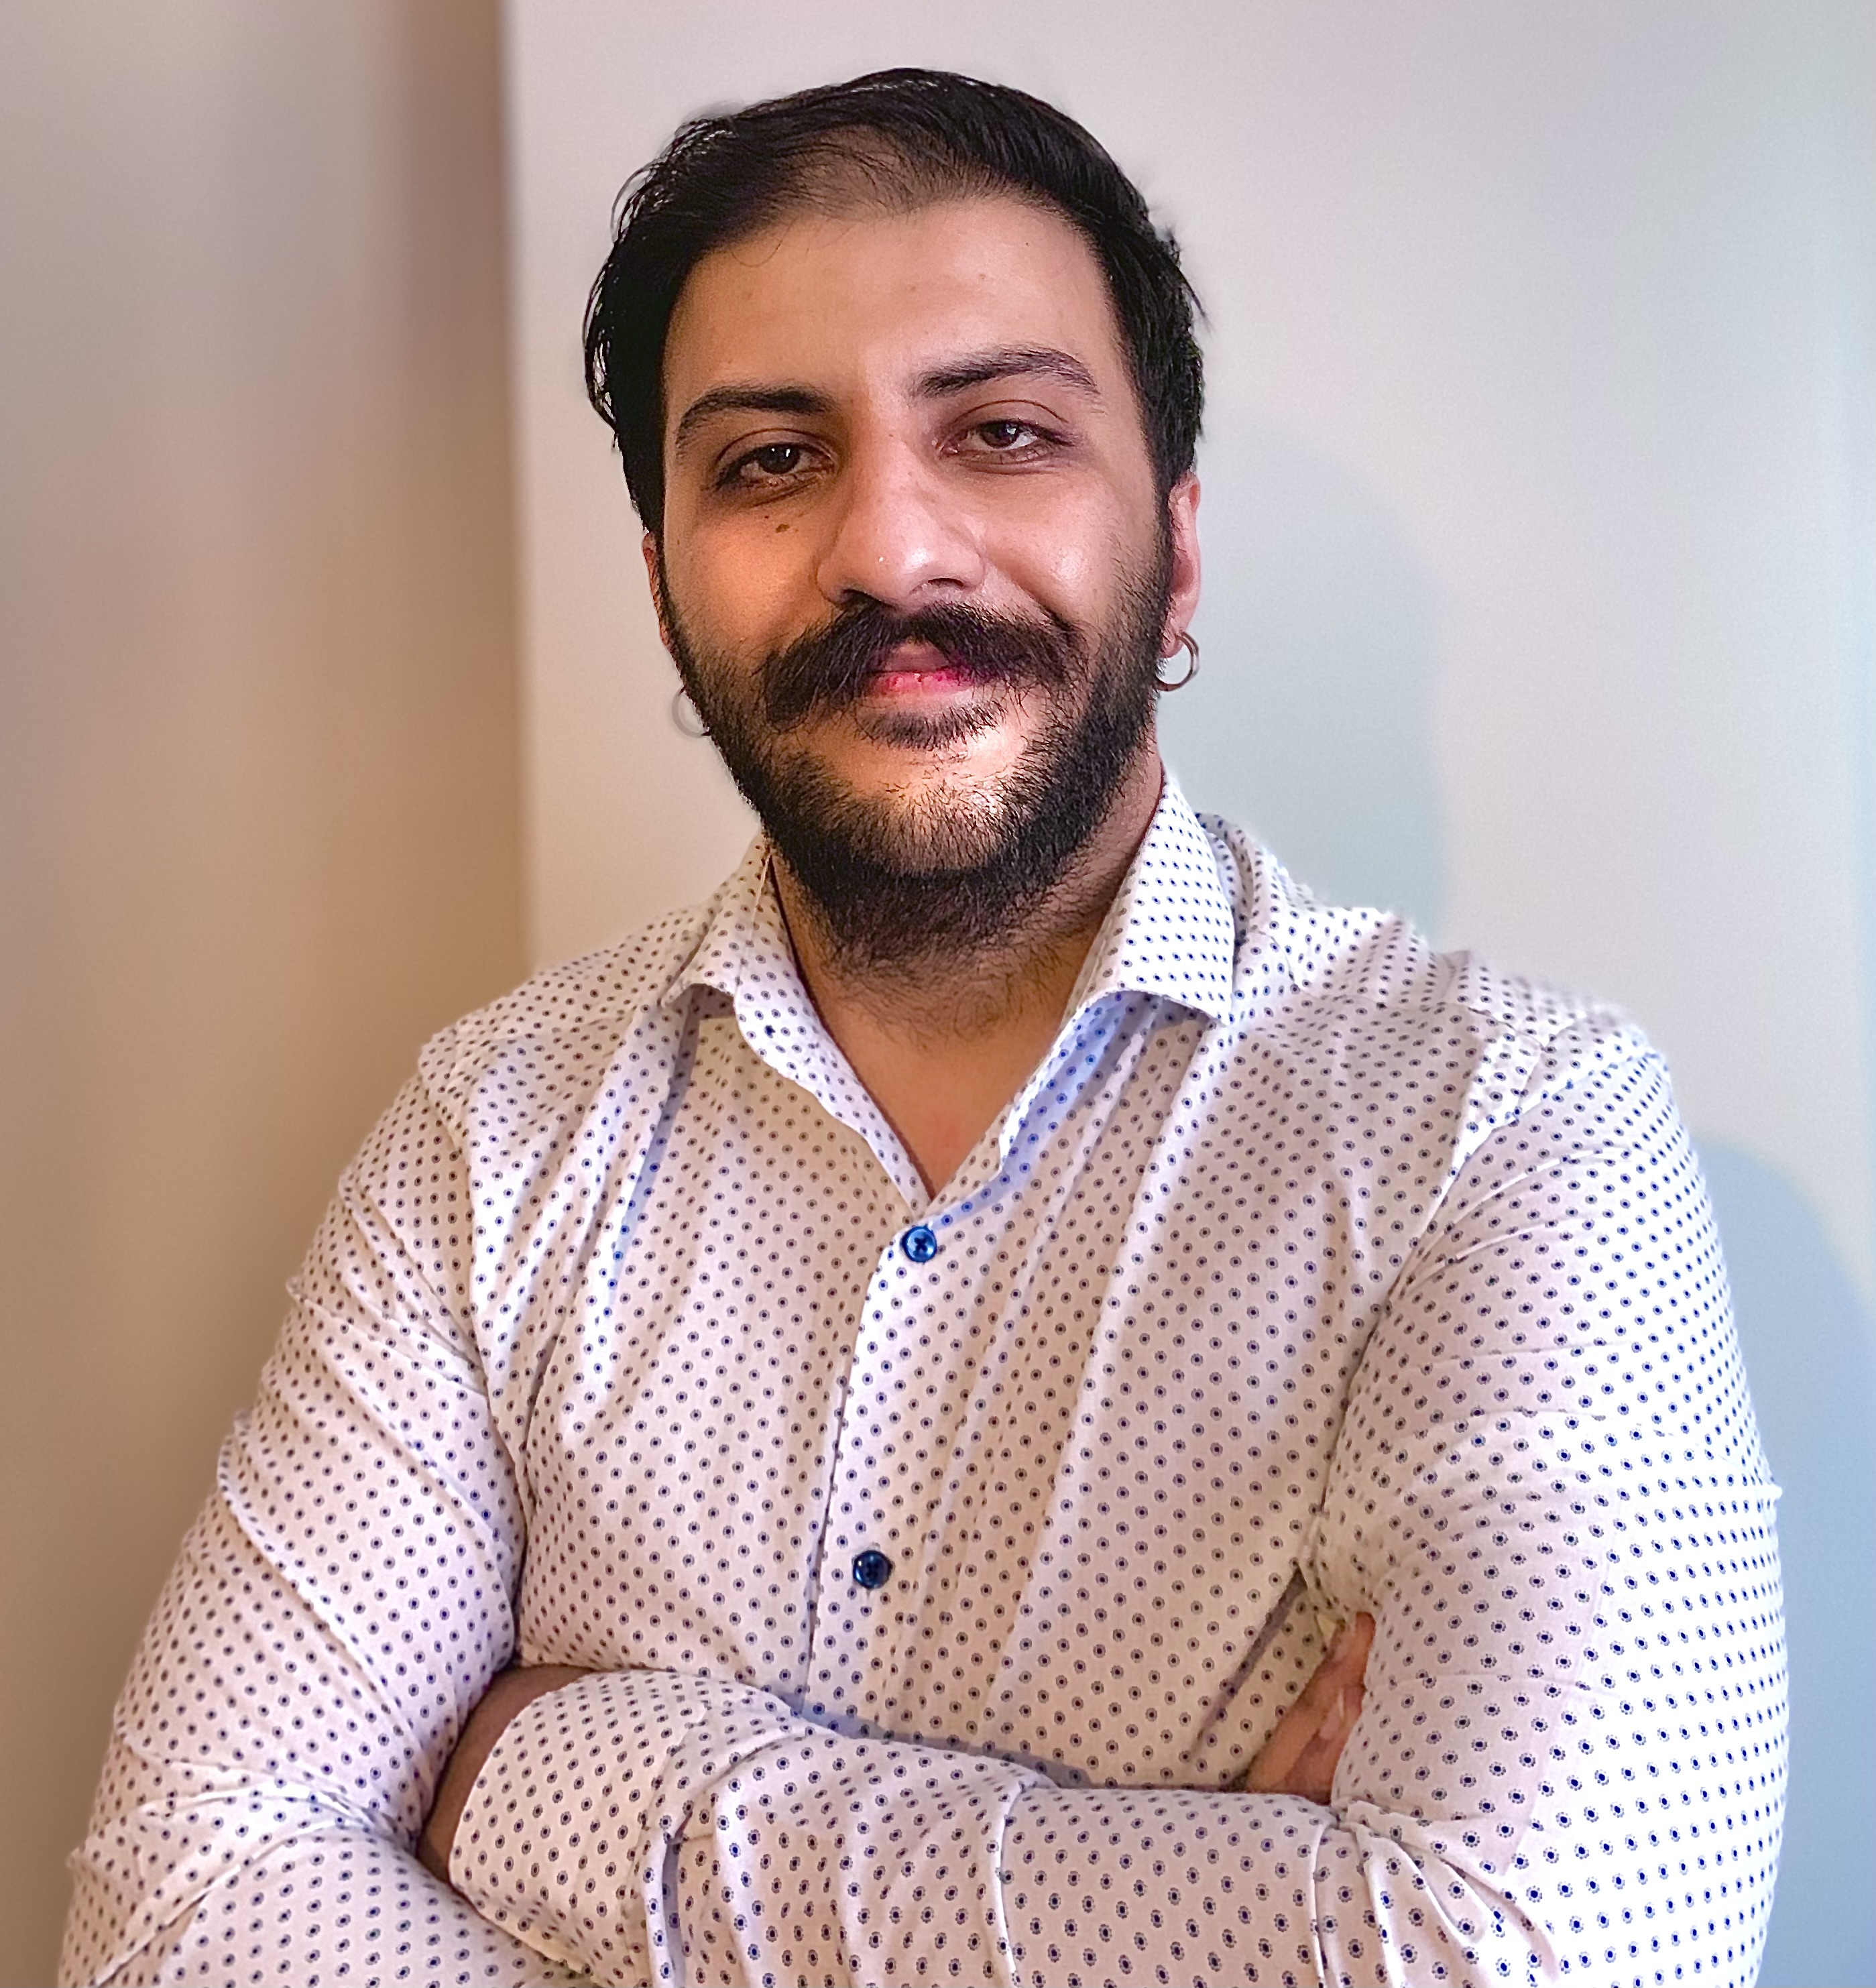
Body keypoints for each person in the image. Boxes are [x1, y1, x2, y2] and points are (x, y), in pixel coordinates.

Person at [63, 68, 1786, 1988]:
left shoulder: (1510, 1129)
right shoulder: (493, 1131)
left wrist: (555, 1776)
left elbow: (1540, 1956)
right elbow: (182, 1918)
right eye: (768, 462)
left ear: (1177, 550)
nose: (890, 550)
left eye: (1005, 433)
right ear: (665, 594)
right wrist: (1224, 1914)